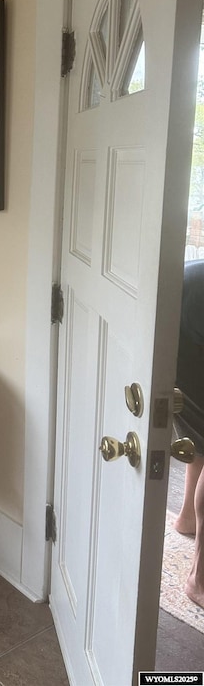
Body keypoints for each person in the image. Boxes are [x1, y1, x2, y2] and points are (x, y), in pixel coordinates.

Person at [173, 259, 204, 608]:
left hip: (181, 337)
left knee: (200, 436)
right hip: (181, 339)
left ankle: (187, 518)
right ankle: (199, 578)